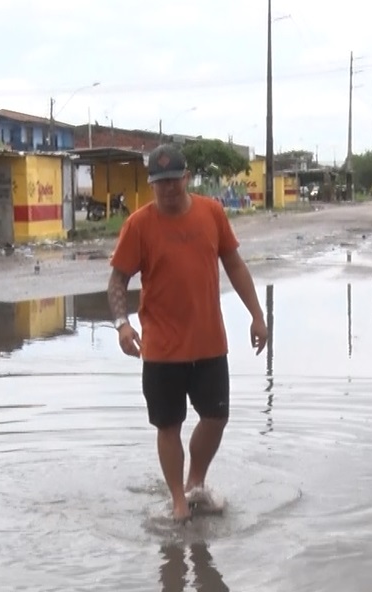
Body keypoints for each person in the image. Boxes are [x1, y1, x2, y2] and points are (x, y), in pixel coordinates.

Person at [109, 143, 269, 523]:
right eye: (160, 183)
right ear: (152, 184)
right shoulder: (139, 225)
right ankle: (178, 501)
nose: (168, 190)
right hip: (162, 347)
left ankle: (196, 482)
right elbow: (118, 280)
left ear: (187, 178)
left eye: (174, 181)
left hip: (209, 341)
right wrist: (122, 324)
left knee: (216, 417)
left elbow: (234, 263)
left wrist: (257, 315)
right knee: (168, 425)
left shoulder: (211, 213)